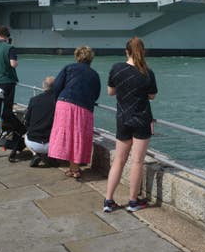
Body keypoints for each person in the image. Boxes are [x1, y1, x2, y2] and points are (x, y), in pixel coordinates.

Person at [103, 37, 158, 213]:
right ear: (142, 52)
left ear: (126, 51)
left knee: (118, 160)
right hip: (141, 119)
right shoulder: (147, 72)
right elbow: (152, 96)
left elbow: (110, 92)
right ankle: (133, 201)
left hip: (122, 119)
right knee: (137, 161)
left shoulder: (116, 68)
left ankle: (108, 200)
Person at [48, 46, 101, 179]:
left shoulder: (69, 68)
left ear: (77, 56)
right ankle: (75, 169)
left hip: (64, 103)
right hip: (84, 107)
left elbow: (56, 86)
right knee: (78, 137)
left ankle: (72, 168)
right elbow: (96, 94)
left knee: (66, 135)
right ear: (91, 58)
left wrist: (57, 102)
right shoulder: (94, 74)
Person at [24, 76, 56, 167]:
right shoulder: (58, 101)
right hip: (52, 144)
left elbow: (27, 120)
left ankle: (35, 155)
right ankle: (52, 156)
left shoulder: (33, 100)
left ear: (43, 86)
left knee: (26, 134)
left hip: (33, 142)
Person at [0, 26, 19, 127]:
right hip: (7, 81)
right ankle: (6, 126)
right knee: (7, 105)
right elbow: (13, 64)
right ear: (8, 35)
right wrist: (16, 61)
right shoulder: (10, 48)